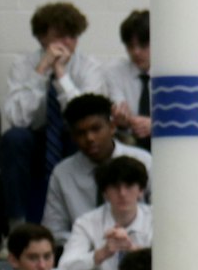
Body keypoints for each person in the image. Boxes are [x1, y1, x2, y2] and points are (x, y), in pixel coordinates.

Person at [1, 1, 106, 224]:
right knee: (13, 139)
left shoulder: (89, 67)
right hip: (36, 137)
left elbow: (85, 116)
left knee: (83, 136)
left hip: (72, 136)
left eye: (73, 36)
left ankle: (80, 223)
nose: (67, 43)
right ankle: (17, 226)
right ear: (42, 37)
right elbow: (18, 118)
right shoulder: (23, 65)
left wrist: (61, 76)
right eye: (60, 36)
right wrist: (40, 72)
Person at [42, 93, 151, 246]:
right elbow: (54, 231)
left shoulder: (144, 161)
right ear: (72, 137)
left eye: (96, 129)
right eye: (81, 133)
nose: (90, 138)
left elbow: (160, 215)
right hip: (84, 255)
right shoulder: (62, 173)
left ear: (112, 127)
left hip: (139, 251)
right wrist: (89, 243)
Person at [60, 156, 152, 270]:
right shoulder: (87, 222)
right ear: (105, 193)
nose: (122, 193)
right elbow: (64, 268)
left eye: (129, 186)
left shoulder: (157, 219)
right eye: (115, 187)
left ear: (141, 190)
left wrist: (136, 253)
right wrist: (102, 253)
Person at [104, 9, 153, 144]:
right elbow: (120, 108)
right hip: (129, 139)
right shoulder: (115, 71)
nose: (136, 52)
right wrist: (123, 121)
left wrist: (157, 125)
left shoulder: (170, 72)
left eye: (143, 46)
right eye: (130, 46)